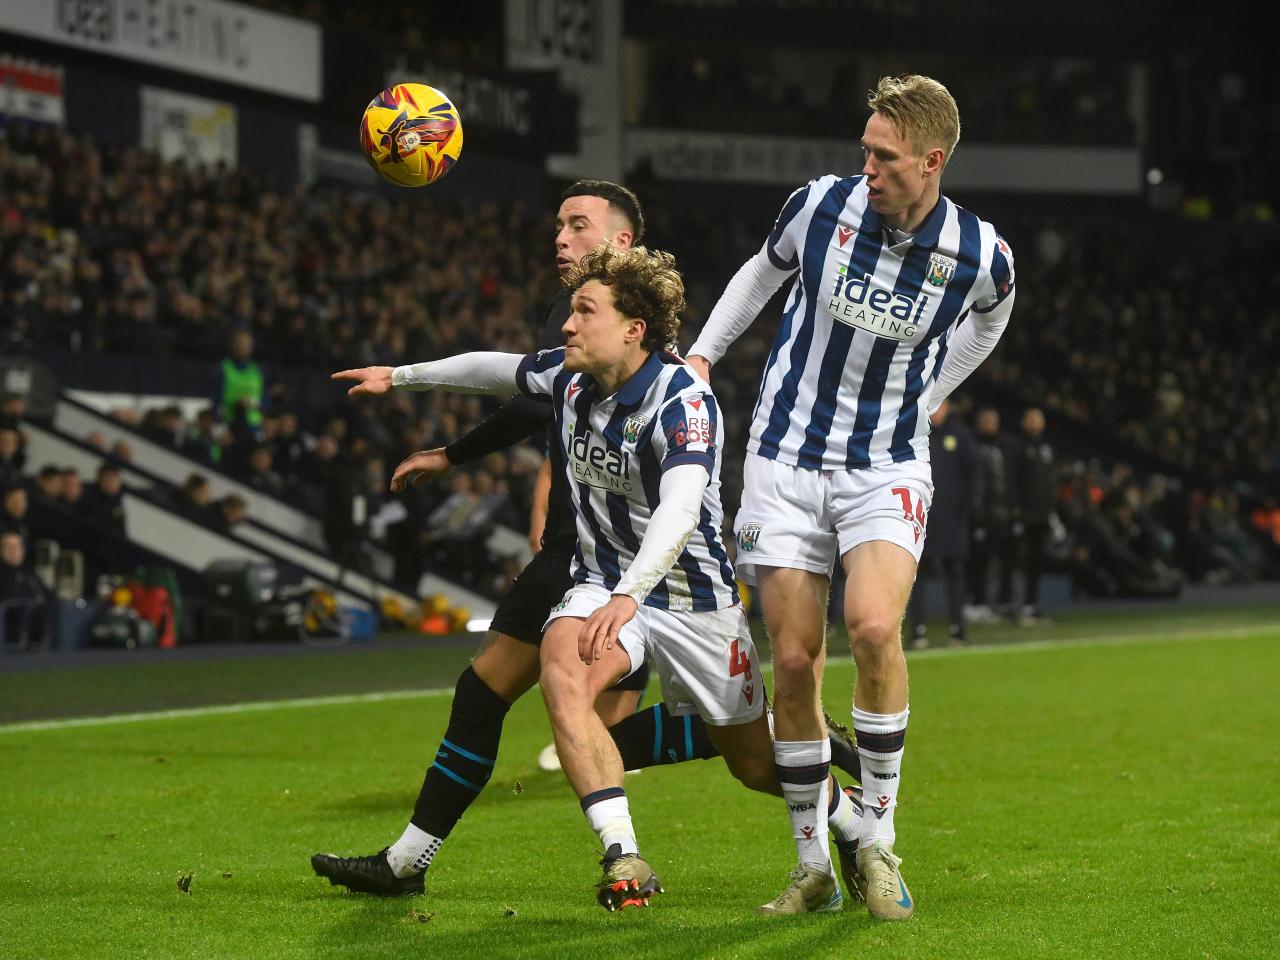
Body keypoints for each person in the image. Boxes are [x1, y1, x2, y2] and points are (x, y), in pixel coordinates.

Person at [311, 181, 862, 902]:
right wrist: (403, 377)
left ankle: (846, 818)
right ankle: (623, 857)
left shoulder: (683, 401)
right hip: (598, 578)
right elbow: (493, 370)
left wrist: (633, 594)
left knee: (755, 765)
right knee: (561, 672)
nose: (565, 326)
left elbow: (681, 507)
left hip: (690, 597)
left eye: (583, 312)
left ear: (633, 326)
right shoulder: (568, 378)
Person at [686, 74, 1017, 920]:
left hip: (886, 464)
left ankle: (877, 835)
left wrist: (934, 388)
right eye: (864, 149)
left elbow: (991, 317)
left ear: (930, 161)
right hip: (785, 458)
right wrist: (702, 357)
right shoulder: (821, 207)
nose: (865, 166)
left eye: (883, 155)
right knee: (793, 661)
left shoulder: (980, 252)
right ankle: (811, 864)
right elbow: (759, 277)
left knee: (874, 627)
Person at [907, 399, 983, 648]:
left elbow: (974, 471)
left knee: (955, 572)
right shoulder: (916, 432)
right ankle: (917, 630)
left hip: (953, 517)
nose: (935, 411)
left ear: (948, 406)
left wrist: (973, 503)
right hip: (922, 517)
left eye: (939, 406)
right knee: (915, 575)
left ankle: (958, 628)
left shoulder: (960, 435)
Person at [968, 406, 1016, 622]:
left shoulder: (1006, 446)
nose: (988, 424)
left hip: (1003, 512)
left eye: (992, 420)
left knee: (1005, 560)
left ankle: (1004, 603)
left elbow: (1011, 479)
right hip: (982, 512)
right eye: (985, 420)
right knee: (979, 560)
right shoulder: (972, 445)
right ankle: (976, 602)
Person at [1014, 407, 1055, 625]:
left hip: (1042, 514)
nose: (1034, 423)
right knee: (1016, 559)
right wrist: (1017, 508)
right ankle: (1010, 605)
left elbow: (1050, 481)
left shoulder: (1046, 448)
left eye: (1038, 419)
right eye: (1030, 418)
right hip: (1023, 513)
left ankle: (1030, 604)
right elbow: (1015, 480)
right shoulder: (1018, 446)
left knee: (1036, 561)